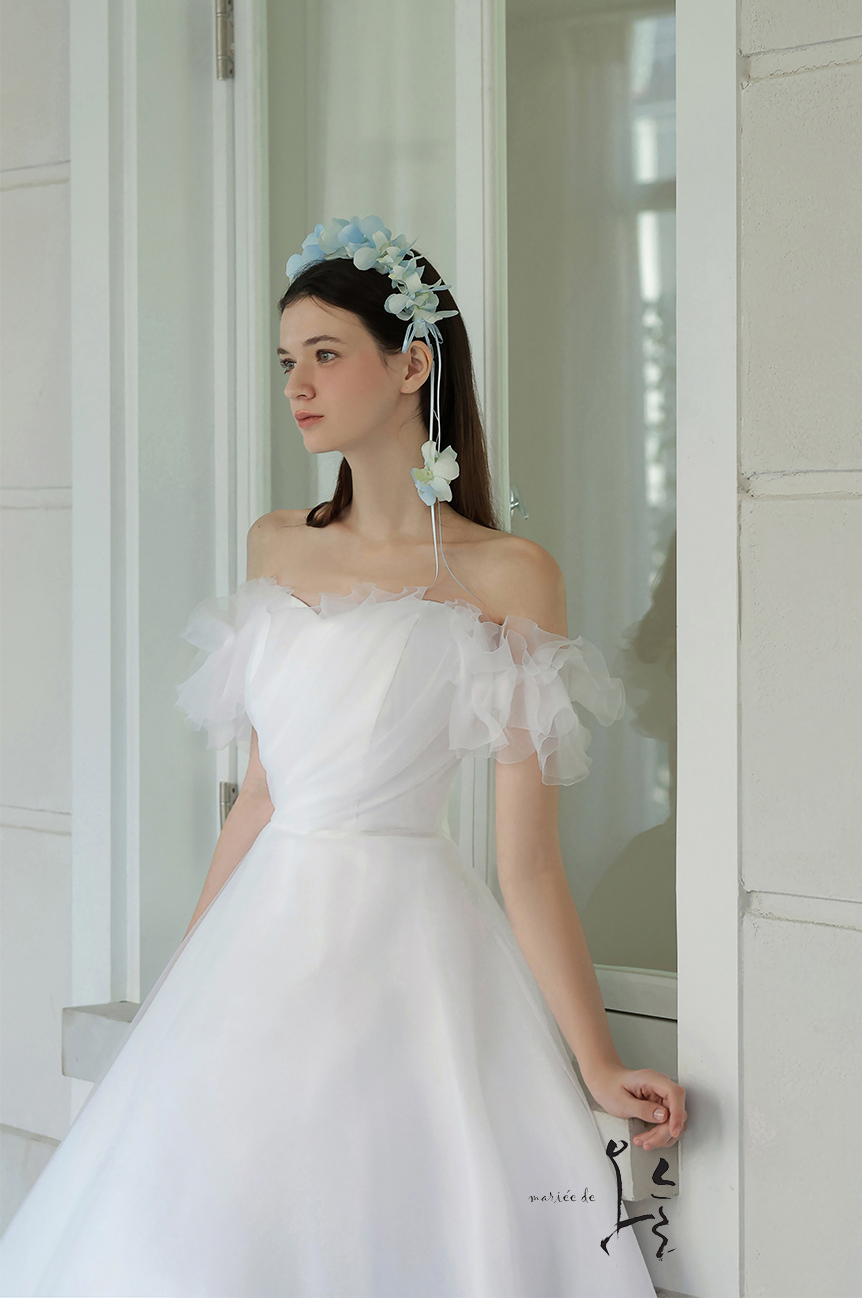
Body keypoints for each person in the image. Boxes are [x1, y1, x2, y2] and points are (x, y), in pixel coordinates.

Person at [0, 218, 686, 1297]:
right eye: (286, 360)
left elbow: (528, 866)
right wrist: (178, 989)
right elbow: (260, 798)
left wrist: (596, 1062)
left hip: (409, 958)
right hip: (259, 948)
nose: (298, 385)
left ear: (411, 365)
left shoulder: (509, 575)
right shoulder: (275, 544)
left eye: (325, 354)